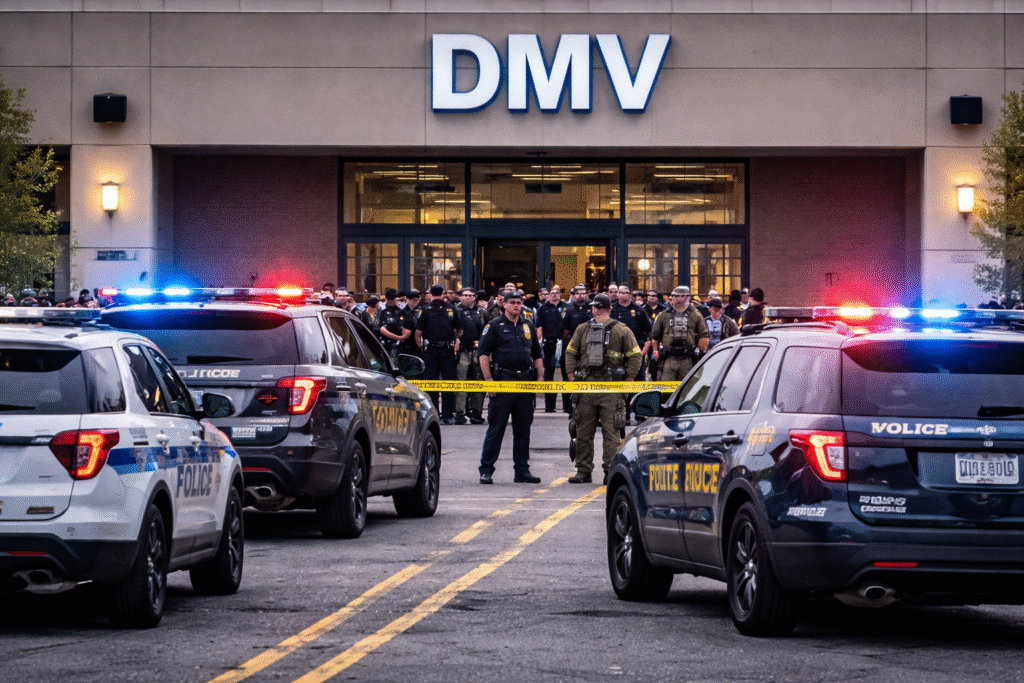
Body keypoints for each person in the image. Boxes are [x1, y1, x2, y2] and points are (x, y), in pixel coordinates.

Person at [564, 293, 642, 484]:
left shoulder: (582, 329)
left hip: (585, 387)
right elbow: (635, 356)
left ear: (594, 308)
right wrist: (629, 379)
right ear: (610, 308)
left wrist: (572, 377)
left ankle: (583, 471)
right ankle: (610, 472)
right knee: (612, 433)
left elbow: (570, 354)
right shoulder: (623, 330)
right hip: (611, 389)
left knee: (583, 431)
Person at [477, 289, 544, 485]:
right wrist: (488, 379)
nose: (516, 305)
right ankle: (486, 470)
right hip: (503, 380)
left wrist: (540, 379)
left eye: (519, 302)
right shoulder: (494, 326)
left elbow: (537, 353)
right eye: (512, 302)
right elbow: (483, 353)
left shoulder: (528, 325)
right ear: (504, 304)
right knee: (496, 428)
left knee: (523, 430)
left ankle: (522, 471)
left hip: (524, 381)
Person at [416, 283, 463, 424]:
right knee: (448, 382)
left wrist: (422, 349)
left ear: (430, 294)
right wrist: (454, 338)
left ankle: (434, 413)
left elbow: (418, 333)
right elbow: (460, 330)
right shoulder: (452, 308)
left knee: (431, 383)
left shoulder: (425, 310)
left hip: (431, 351)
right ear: (443, 293)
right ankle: (448, 415)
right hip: (448, 350)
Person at [610, 285, 652, 424]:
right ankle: (624, 414)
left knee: (639, 381)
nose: (621, 295)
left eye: (625, 293)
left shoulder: (639, 311)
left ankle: (640, 414)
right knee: (619, 381)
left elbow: (649, 332)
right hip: (616, 350)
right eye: (619, 292)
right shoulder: (612, 309)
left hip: (636, 350)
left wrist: (645, 349)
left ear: (630, 294)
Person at [651, 286, 710, 382]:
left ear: (686, 297)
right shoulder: (663, 315)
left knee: (687, 388)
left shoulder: (695, 314)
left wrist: (699, 351)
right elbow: (655, 336)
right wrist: (656, 353)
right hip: (669, 358)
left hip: (688, 358)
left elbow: (704, 335)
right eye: (673, 295)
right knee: (666, 388)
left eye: (677, 296)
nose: (673, 298)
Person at [454, 287, 487, 425]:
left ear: (475, 297)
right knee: (461, 382)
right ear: (460, 297)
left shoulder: (482, 312)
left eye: (471, 295)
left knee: (478, 382)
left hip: (478, 352)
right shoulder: (455, 311)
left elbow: (488, 331)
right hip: (461, 352)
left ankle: (476, 413)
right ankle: (460, 413)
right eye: (465, 295)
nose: (468, 297)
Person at [560, 284, 593, 415]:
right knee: (569, 375)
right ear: (574, 295)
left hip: (589, 347)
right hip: (572, 346)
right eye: (578, 293)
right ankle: (569, 408)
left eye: (583, 293)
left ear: (587, 294)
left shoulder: (591, 309)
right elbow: (563, 329)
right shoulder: (568, 310)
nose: (581, 295)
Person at [536, 285, 568, 413]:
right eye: (552, 293)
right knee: (549, 374)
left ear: (560, 294)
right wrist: (540, 341)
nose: (554, 295)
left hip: (563, 343)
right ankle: (549, 406)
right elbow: (539, 326)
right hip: (548, 343)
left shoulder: (566, 307)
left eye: (557, 292)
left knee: (565, 372)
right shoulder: (543, 308)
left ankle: (567, 406)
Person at [377, 288, 413, 362]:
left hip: (401, 347)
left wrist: (402, 337)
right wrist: (398, 337)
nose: (391, 301)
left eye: (392, 298)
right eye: (389, 298)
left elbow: (408, 329)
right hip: (386, 346)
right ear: (386, 299)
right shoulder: (382, 313)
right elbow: (382, 330)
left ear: (396, 299)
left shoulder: (403, 313)